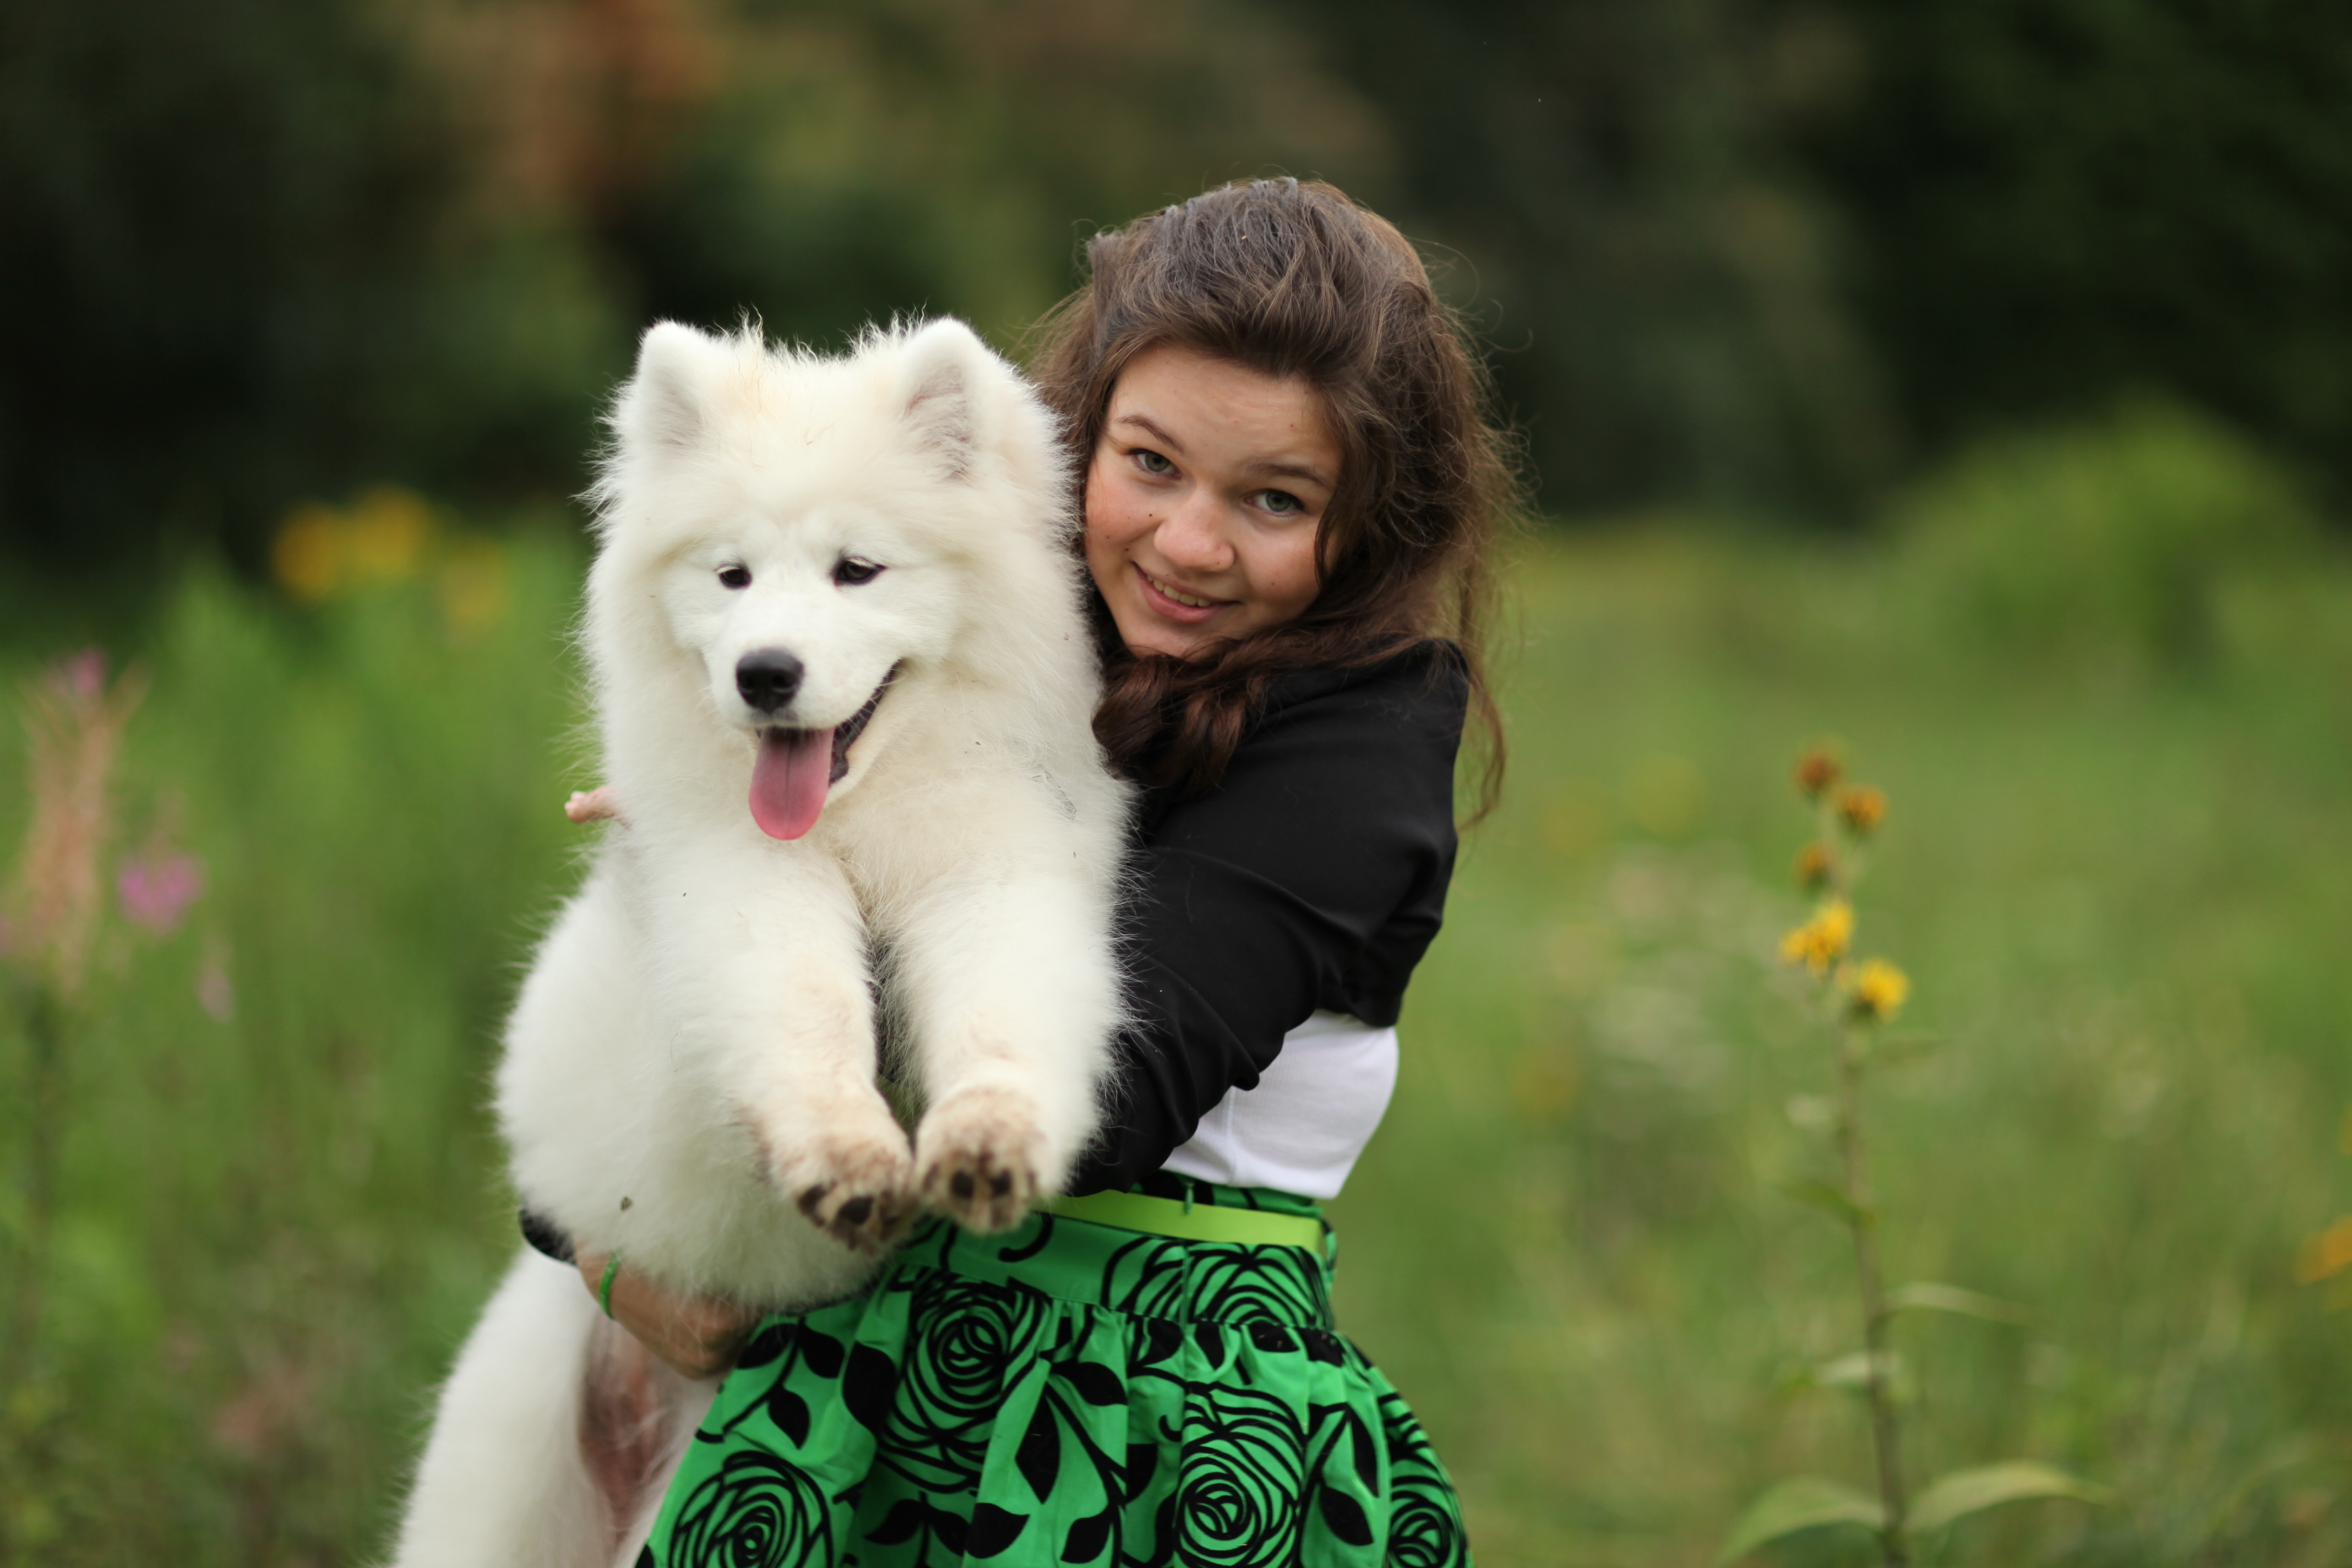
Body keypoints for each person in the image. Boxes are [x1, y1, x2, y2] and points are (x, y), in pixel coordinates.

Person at [560, 177, 1511, 1567]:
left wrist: (716, 904)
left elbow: (1112, 1103)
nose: (1189, 543)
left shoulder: (1361, 741)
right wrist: (596, 1245)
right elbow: (615, 1032)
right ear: (1074, 437)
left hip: (1148, 1438)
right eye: (1151, 464)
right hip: (828, 1407)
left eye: (1274, 497)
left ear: (1366, 522)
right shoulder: (942, 628)